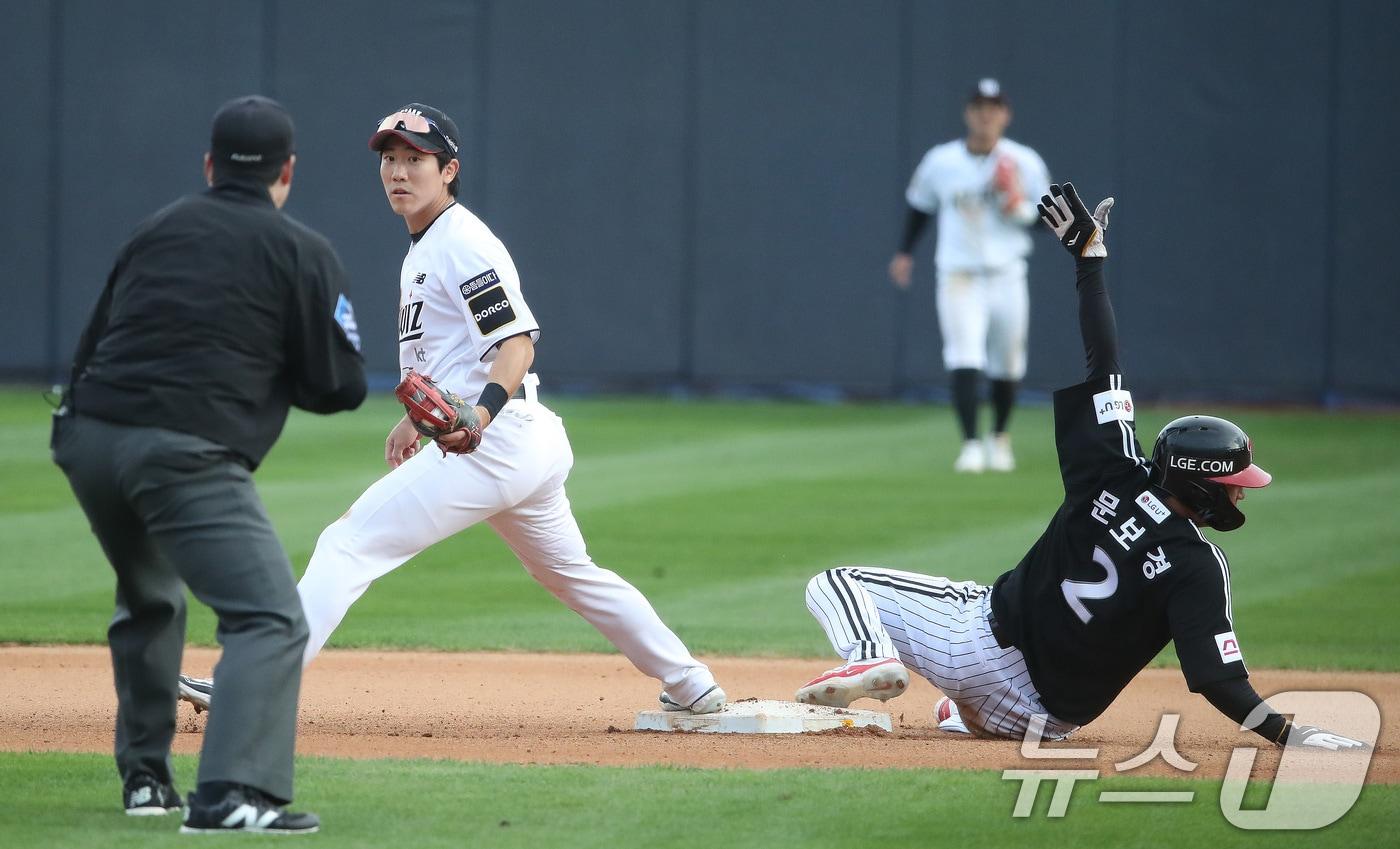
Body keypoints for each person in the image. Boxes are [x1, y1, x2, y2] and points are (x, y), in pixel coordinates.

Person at [177, 102, 725, 719]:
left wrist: (481, 416)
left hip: (497, 439)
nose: (398, 171)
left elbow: (514, 344)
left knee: (347, 544)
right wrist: (418, 417)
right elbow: (456, 356)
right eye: (390, 158)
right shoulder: (430, 245)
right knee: (571, 573)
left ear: (449, 169)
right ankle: (691, 685)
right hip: (521, 441)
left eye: (416, 159)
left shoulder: (462, 242)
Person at [796, 183, 1366, 752]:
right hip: (1041, 721)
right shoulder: (1197, 565)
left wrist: (1089, 265)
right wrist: (1290, 735)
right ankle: (959, 707)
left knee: (837, 583)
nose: (1241, 494)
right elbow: (1219, 679)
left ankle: (873, 660)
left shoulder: (1113, 468)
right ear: (1200, 481)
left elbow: (1104, 362)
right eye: (1234, 483)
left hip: (980, 652)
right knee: (967, 656)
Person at [52, 95, 366, 834]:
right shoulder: (301, 250)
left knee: (152, 596)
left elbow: (95, 341)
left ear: (208, 166)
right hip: (183, 450)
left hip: (88, 436)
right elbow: (342, 385)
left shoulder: (154, 230)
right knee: (268, 616)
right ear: (287, 172)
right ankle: (230, 794)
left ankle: (146, 782)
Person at [890, 78, 1050, 473]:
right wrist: (905, 252)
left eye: (993, 108)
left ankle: (999, 435)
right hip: (959, 274)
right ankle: (971, 443)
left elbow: (1047, 219)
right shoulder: (941, 161)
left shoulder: (1022, 162)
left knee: (1008, 363)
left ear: (1006, 115)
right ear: (968, 113)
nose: (985, 115)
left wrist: (1016, 204)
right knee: (964, 355)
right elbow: (920, 207)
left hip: (1007, 273)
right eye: (979, 107)